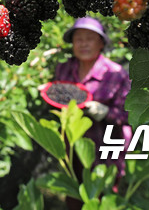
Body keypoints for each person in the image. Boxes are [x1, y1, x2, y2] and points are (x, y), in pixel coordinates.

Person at [54, 17, 131, 207]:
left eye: (89, 38)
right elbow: (57, 101)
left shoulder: (115, 74)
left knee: (102, 200)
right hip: (73, 150)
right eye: (78, 39)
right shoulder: (64, 69)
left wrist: (106, 112)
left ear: (101, 43)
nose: (83, 44)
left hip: (106, 153)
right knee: (74, 197)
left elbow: (129, 115)